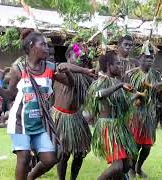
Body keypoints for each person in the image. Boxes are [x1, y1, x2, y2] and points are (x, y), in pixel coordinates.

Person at [0, 29, 74, 180]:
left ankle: (30, 177)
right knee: (24, 158)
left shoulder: (50, 68)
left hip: (40, 124)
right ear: (32, 46)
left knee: (50, 159)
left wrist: (68, 73)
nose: (47, 48)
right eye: (43, 45)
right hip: (20, 123)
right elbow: (10, 95)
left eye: (47, 45)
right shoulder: (18, 69)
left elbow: (70, 84)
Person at [87, 51, 142, 180]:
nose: (120, 66)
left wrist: (137, 96)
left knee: (127, 164)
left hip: (119, 127)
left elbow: (123, 105)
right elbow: (99, 95)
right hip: (107, 127)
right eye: (117, 63)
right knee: (117, 166)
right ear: (108, 65)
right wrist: (120, 85)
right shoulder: (100, 81)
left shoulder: (116, 83)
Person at [52, 43, 96, 180]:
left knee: (80, 152)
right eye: (77, 54)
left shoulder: (86, 78)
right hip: (60, 116)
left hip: (76, 117)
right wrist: (85, 70)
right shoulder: (61, 68)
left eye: (82, 55)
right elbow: (67, 67)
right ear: (68, 56)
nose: (80, 57)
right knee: (63, 153)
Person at [124, 48, 162, 178]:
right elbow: (125, 94)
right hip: (135, 114)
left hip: (149, 115)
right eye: (147, 57)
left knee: (146, 147)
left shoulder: (156, 75)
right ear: (140, 58)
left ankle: (138, 167)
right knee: (135, 144)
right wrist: (137, 97)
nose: (150, 60)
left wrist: (159, 89)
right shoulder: (131, 74)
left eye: (152, 58)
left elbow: (160, 98)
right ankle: (131, 169)